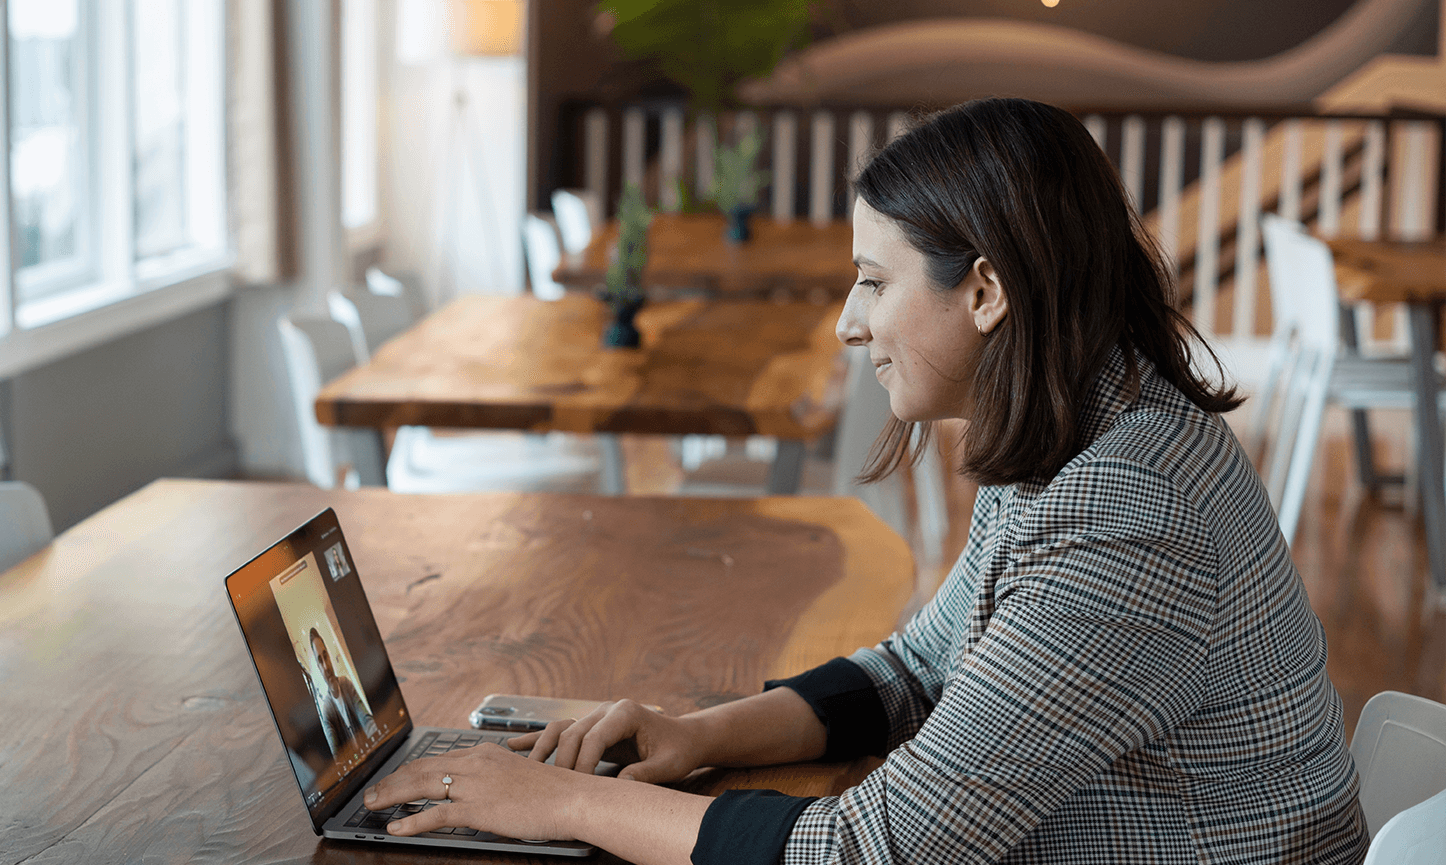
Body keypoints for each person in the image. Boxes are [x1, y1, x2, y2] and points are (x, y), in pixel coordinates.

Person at [361, 97, 1368, 864]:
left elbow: (874, 849)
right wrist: (695, 733)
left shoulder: (1129, 507)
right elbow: (915, 670)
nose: (849, 322)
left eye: (874, 281)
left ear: (984, 291)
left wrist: (564, 805)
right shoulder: (1086, 422)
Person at [309, 627, 375, 756]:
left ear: (329, 656)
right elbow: (337, 757)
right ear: (318, 667)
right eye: (320, 661)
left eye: (325, 656)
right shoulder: (327, 711)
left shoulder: (346, 684)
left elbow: (366, 719)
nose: (326, 667)